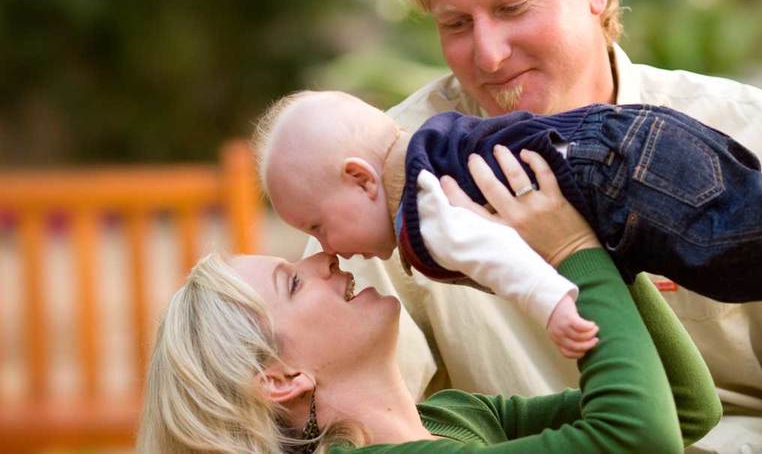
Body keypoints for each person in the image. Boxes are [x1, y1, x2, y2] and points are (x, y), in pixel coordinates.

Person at [298, 0, 762, 452]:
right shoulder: (392, 180)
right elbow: (341, 405)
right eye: (456, 23)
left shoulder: (749, 130)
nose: (488, 54)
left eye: (513, 7)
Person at [136, 154, 722, 453]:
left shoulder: (455, 417)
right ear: (281, 377)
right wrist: (572, 248)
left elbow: (685, 407)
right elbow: (641, 439)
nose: (325, 260)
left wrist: (602, 259)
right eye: (293, 282)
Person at [256, 89, 762, 308]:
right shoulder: (436, 134)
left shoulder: (425, 211)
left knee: (719, 251)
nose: (326, 248)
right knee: (708, 236)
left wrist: (562, 299)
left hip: (610, 173)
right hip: (625, 132)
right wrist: (636, 253)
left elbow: (508, 259)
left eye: (317, 224)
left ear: (363, 179)